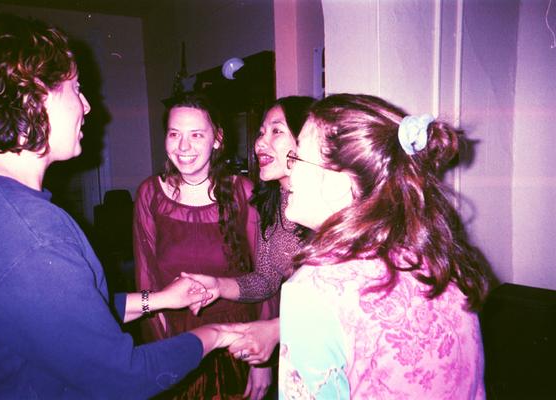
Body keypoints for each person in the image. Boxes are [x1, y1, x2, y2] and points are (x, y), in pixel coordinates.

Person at [0, 14, 241, 399]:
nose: (87, 106)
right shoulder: (35, 238)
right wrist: (217, 335)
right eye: (76, 88)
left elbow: (65, 316)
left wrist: (160, 300)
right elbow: (124, 377)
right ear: (33, 96)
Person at [278, 93, 489, 399]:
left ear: (337, 186)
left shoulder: (311, 291)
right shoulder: (440, 261)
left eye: (297, 157)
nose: (289, 171)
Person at [133, 92, 268, 399]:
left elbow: (264, 280)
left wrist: (261, 360)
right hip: (176, 343)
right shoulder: (149, 195)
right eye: (174, 134)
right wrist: (161, 355)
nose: (183, 147)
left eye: (196, 135)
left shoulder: (243, 193)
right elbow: (146, 279)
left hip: (235, 344)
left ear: (217, 139)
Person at [181, 96, 315, 398]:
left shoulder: (326, 204)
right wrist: (218, 286)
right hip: (299, 349)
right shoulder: (272, 203)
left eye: (276, 131)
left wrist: (277, 329)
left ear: (308, 139)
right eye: (261, 132)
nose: (259, 143)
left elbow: (343, 301)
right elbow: (265, 280)